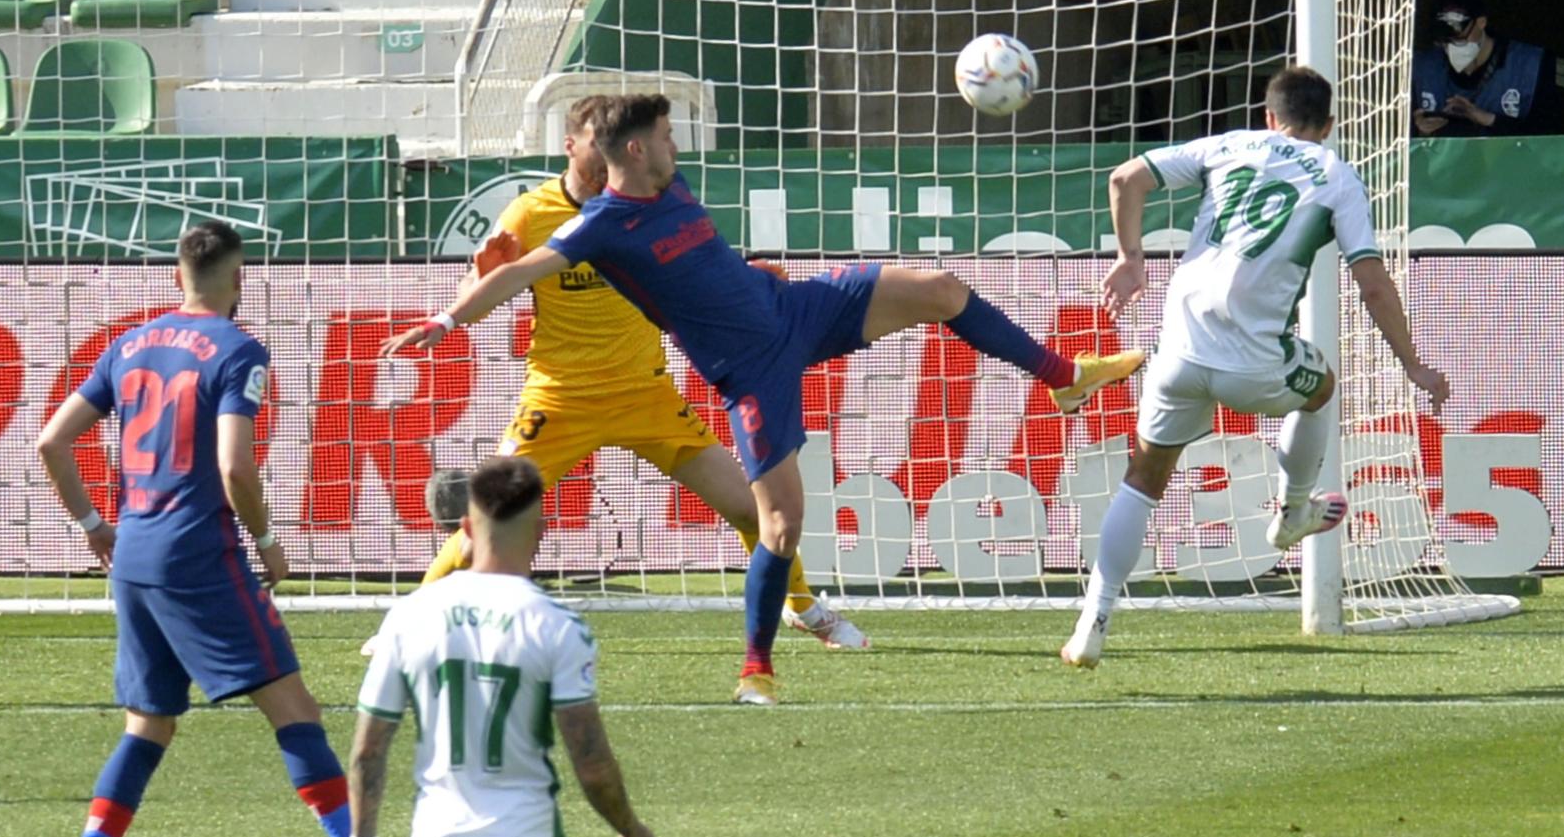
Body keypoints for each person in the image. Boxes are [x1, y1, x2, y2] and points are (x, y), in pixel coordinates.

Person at [381, 93, 1143, 705]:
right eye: (667, 136)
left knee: (940, 289)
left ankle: (1063, 377)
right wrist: (449, 318)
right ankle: (756, 666)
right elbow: (518, 272)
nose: (679, 148)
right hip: (749, 373)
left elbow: (700, 263)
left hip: (794, 311)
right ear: (637, 150)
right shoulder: (600, 226)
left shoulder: (671, 186)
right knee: (778, 522)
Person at [37, 221, 402, 837]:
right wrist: (265, 538)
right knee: (294, 710)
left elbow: (51, 441)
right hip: (197, 555)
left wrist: (92, 526)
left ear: (178, 277)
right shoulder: (240, 350)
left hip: (135, 555)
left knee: (148, 724)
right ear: (240, 280)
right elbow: (235, 465)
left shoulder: (129, 342)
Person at [416, 96, 866, 651]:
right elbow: (481, 287)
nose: (603, 158)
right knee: (491, 512)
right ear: (572, 146)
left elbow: (692, 266)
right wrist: (467, 292)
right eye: (590, 145)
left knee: (752, 509)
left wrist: (746, 279)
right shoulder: (531, 214)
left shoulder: (647, 200)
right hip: (561, 400)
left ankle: (802, 606)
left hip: (647, 394)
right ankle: (413, 616)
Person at [1063, 66, 1451, 668]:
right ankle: (1295, 507)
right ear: (1327, 125)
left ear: (1270, 117)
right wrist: (1414, 365)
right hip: (1254, 363)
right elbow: (1371, 283)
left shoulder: (1229, 145)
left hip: (1180, 353)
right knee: (1320, 386)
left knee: (1142, 483)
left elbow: (1126, 177)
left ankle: (1095, 617)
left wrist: (1130, 257)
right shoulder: (1336, 175)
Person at [346, 456, 653, 837]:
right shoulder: (556, 625)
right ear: (540, 531)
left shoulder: (410, 616)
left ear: (464, 529)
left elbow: (368, 750)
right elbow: (592, 763)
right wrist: (629, 826)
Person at [1411, 0, 1558, 137]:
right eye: (1445, 41)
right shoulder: (1424, 67)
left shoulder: (1527, 65)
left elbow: (1548, 136)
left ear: (1481, 23)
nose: (1451, 47)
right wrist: (1422, 131)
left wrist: (1487, 118)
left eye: (1459, 37)